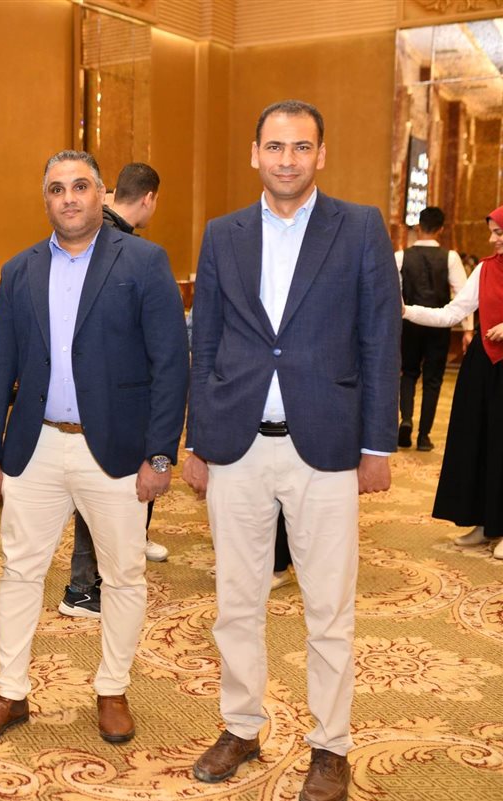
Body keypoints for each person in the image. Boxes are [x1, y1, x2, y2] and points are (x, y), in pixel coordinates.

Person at [183, 100, 399, 801]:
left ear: (320, 155)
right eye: (275, 147)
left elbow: (379, 340)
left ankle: (330, 746)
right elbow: (206, 341)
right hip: (236, 444)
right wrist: (197, 437)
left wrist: (377, 443)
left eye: (301, 147)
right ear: (255, 154)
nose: (287, 159)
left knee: (328, 609)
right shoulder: (223, 233)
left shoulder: (360, 227)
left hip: (327, 445)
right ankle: (241, 726)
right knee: (235, 600)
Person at [0, 150, 188, 745]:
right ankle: (10, 693)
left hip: (113, 451)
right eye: (57, 188)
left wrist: (160, 454)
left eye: (80, 186)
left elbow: (170, 365)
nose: (68, 198)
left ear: (101, 194)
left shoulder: (143, 261)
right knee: (19, 570)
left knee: (123, 575)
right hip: (34, 447)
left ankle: (112, 689)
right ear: (46, 199)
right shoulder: (20, 270)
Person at [60, 161, 169, 620]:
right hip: (101, 402)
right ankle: (83, 587)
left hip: (116, 399)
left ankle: (118, 556)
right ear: (149, 198)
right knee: (99, 492)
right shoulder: (102, 243)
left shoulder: (130, 247)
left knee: (116, 490)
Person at [403, 206, 503, 558]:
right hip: (482, 365)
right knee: (479, 440)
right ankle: (484, 523)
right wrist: (407, 311)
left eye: (498, 233)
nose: (491, 239)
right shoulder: (485, 269)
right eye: (492, 231)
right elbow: (452, 312)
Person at [396, 206, 473, 451]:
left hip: (409, 324)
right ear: (441, 229)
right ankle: (424, 436)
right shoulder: (451, 257)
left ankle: (406, 419)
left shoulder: (401, 256)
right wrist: (468, 329)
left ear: (419, 227)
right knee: (433, 379)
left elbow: (393, 295)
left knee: (408, 373)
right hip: (439, 326)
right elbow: (464, 296)